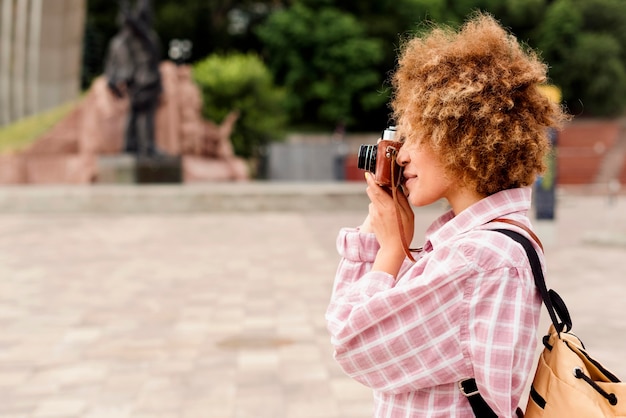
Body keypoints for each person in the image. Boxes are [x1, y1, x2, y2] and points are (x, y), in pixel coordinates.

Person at [325, 13, 568, 418]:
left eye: (416, 135)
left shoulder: (477, 258)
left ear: (460, 137)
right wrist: (389, 226)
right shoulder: (478, 242)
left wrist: (386, 248)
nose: (401, 154)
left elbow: (353, 344)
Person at [105, 0, 163, 157]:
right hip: (143, 81)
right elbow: (112, 65)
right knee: (140, 114)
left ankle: (135, 146)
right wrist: (124, 7)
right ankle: (141, 146)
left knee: (138, 114)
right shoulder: (137, 38)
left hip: (146, 80)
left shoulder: (147, 37)